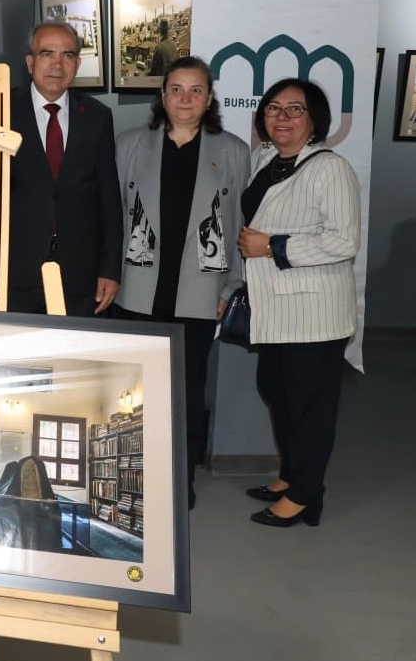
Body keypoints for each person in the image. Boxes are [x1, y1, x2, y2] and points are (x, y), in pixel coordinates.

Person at [114, 56, 249, 508]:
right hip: (137, 291)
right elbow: (113, 217)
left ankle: (180, 479)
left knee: (188, 394)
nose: (185, 98)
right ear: (163, 95)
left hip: (200, 293)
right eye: (176, 89)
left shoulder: (232, 151)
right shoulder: (130, 144)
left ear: (209, 98)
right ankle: (138, 477)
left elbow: (238, 224)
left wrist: (230, 288)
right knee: (136, 391)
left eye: (196, 90)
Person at [236, 79, 360, 528]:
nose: (282, 117)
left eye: (295, 109)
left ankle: (306, 495)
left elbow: (344, 241)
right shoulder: (265, 160)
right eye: (273, 108)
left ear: (314, 119)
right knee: (279, 394)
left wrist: (274, 246)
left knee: (310, 408)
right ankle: (291, 476)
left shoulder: (331, 168)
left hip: (315, 314)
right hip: (275, 310)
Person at [0, 22, 122, 315]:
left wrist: (110, 269)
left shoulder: (98, 117)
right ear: (30, 62)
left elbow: (109, 199)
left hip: (80, 276)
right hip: (16, 273)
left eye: (67, 55)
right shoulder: (0, 110)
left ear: (78, 64)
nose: (57, 64)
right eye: (47, 54)